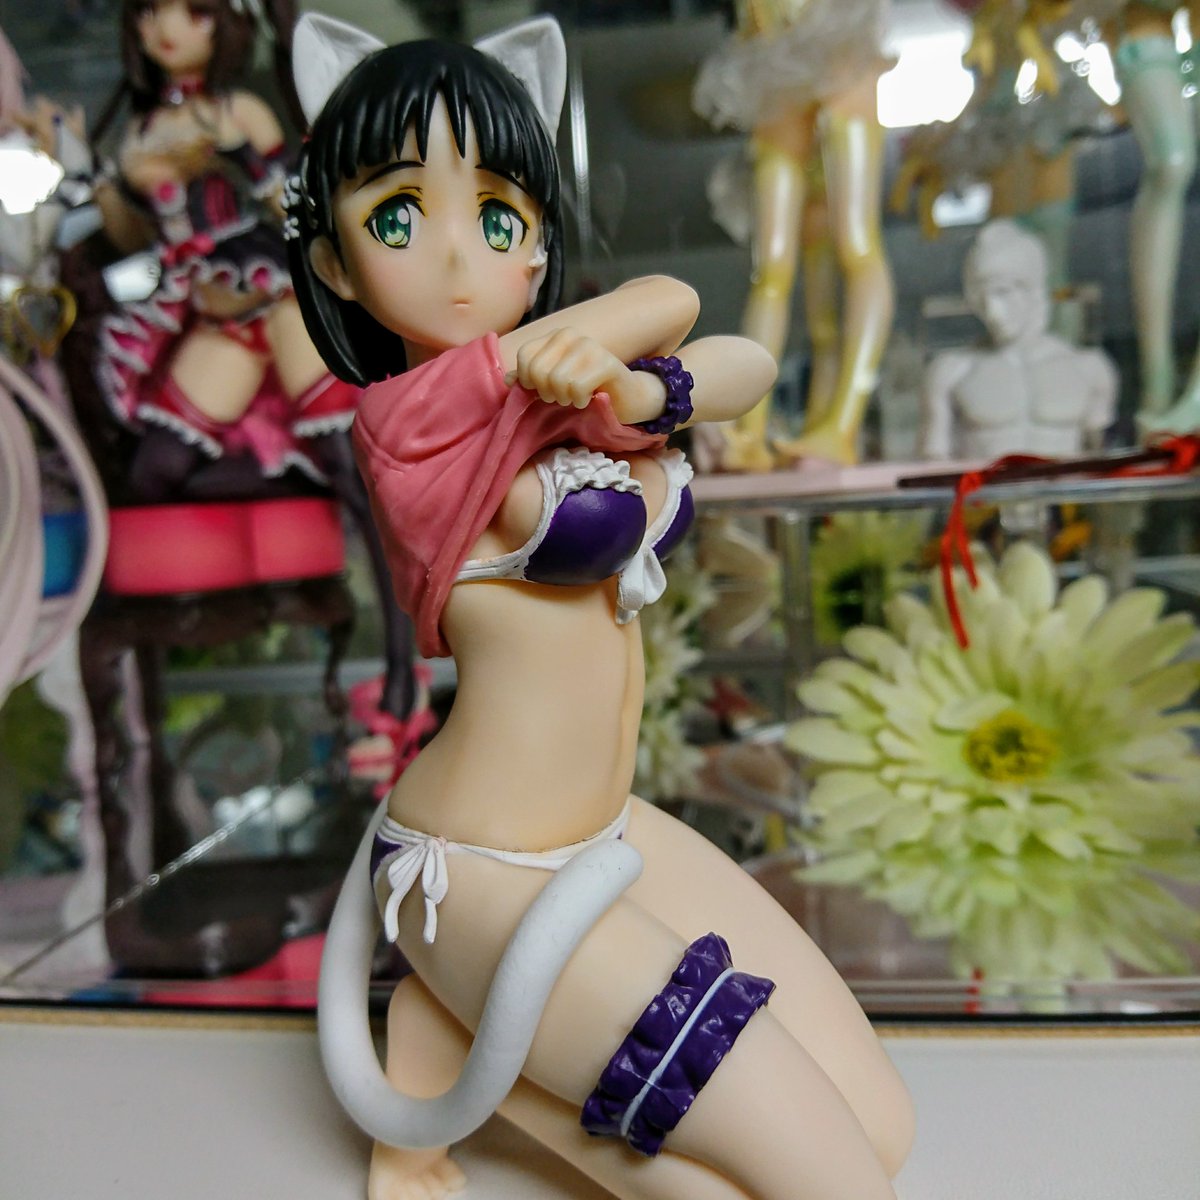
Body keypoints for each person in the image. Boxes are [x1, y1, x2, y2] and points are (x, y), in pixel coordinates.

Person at [288, 15, 914, 1200]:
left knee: (879, 1129)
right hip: (476, 866)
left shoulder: (565, 391)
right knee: (828, 1183)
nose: (459, 259)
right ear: (335, 265)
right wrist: (609, 335)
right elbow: (655, 297)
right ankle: (462, 1027)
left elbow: (735, 361)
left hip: (602, 834)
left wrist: (638, 388)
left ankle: (462, 1043)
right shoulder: (406, 422)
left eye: (498, 218)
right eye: (399, 217)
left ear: (536, 242)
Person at [88, 0, 359, 500]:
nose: (166, 28)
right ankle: (291, 499)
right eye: (149, 11)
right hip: (208, 309)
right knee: (156, 470)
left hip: (272, 291)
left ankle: (352, 520)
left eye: (195, 12)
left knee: (345, 455)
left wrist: (244, 155)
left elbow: (297, 208)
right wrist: (95, 183)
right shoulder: (140, 129)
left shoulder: (240, 111)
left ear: (232, 24)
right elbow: (131, 239)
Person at [692, 0, 895, 469]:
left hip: (837, 44)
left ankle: (841, 425)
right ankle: (753, 430)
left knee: (856, 245)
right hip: (773, 65)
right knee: (772, 267)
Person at [920, 219, 1116, 459]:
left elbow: (1103, 457)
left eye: (1002, 292)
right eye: (981, 299)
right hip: (983, 484)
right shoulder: (951, 372)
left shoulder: (1089, 368)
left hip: (1065, 484)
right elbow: (933, 462)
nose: (992, 312)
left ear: (1033, 290)